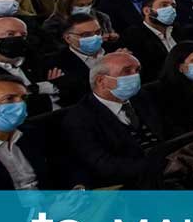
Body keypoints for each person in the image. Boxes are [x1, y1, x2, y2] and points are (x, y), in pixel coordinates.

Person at [62, 51, 166, 188]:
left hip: (171, 168)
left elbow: (168, 131)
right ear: (101, 81)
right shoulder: (79, 118)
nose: (135, 76)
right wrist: (158, 167)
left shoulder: (143, 97)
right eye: (127, 71)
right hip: (133, 183)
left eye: (137, 70)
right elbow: (103, 164)